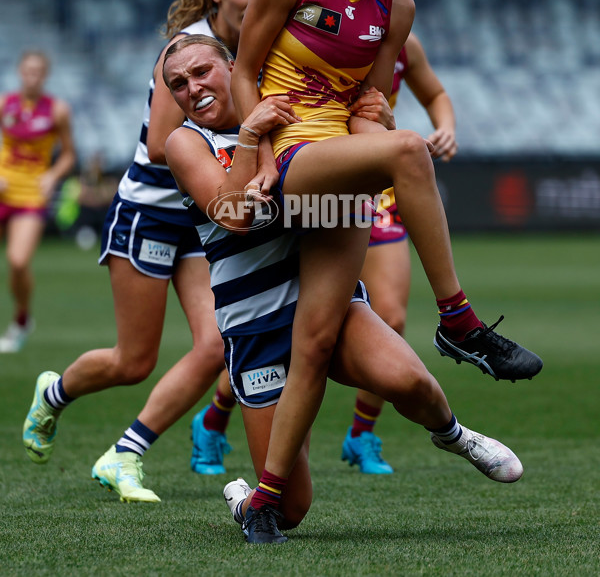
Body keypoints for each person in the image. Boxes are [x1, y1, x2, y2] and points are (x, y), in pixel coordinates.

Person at [228, 0, 543, 523]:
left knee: (316, 342)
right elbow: (245, 72)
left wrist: (373, 137)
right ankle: (459, 321)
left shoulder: (397, 6)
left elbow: (371, 105)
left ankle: (262, 501)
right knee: (408, 149)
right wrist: (256, 153)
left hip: (338, 175)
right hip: (289, 154)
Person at [160, 35, 525, 544]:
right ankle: (245, 497)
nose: (192, 88)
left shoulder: (286, 109)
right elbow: (234, 215)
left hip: (327, 300)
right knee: (289, 510)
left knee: (411, 384)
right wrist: (249, 137)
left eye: (202, 72)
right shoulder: (185, 142)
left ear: (233, 66)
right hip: (255, 326)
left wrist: (378, 124)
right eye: (178, 83)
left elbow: (353, 174)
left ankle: (457, 437)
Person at [22, 0, 274, 501]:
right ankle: (55, 392)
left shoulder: (256, 46)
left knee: (218, 346)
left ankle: (125, 453)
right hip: (151, 212)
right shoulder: (188, 51)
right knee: (133, 360)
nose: (257, 1)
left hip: (200, 218)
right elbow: (164, 144)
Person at [341, 0, 459, 474]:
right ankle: (214, 421)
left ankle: (361, 436)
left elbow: (433, 91)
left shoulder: (403, 43)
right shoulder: (313, 27)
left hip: (377, 186)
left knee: (390, 316)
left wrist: (445, 125)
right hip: (315, 175)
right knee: (283, 317)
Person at [0, 50, 76, 352]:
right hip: (3, 190)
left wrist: (52, 176)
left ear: (44, 75)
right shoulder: (5, 104)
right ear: (20, 71)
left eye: (37, 71)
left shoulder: (57, 110)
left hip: (31, 194)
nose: (32, 76)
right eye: (27, 70)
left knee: (18, 261)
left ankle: (21, 319)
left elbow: (69, 154)